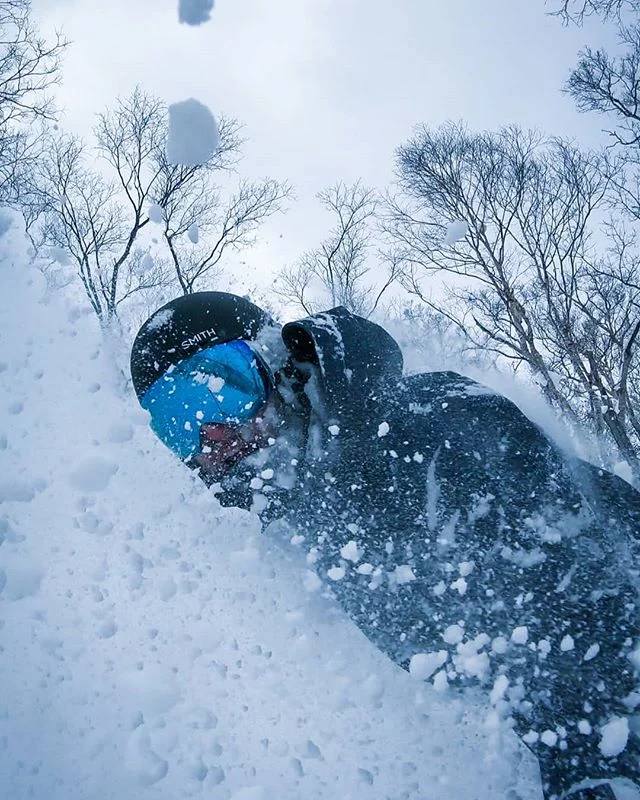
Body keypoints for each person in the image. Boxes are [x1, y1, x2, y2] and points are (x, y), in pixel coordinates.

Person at [130, 291, 640, 800]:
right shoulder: (301, 545)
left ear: (274, 361)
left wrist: (590, 768)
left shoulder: (427, 422)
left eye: (224, 388)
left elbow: (597, 592)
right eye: (177, 421)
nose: (212, 431)